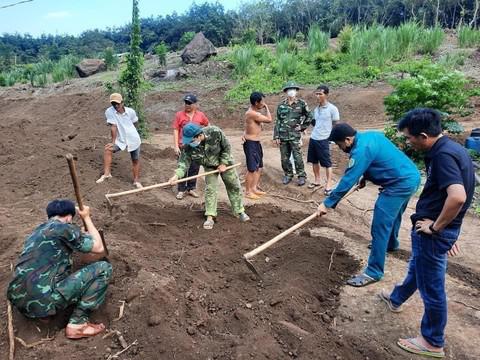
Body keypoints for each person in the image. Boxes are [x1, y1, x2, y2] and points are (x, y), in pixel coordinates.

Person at [378, 108, 474, 358]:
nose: (408, 141)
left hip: (432, 232)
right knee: (417, 268)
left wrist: (437, 228)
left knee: (432, 287)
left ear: (423, 135)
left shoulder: (442, 156)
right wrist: (449, 228)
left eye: (410, 137)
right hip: (437, 232)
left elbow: (458, 197)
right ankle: (396, 298)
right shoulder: (453, 149)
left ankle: (432, 341)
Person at [317, 123, 420, 287]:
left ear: (348, 139)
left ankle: (373, 272)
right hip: (410, 177)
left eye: (339, 144)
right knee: (394, 216)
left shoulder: (361, 150)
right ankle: (391, 243)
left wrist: (327, 203)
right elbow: (380, 158)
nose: (340, 147)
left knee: (380, 225)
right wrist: (366, 176)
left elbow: (347, 179)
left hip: (398, 185)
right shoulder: (370, 135)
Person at [7, 200, 111, 339]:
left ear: (49, 216)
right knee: (104, 268)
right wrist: (86, 217)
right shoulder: (64, 227)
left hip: (17, 299)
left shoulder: (36, 232)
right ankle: (78, 324)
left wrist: (80, 236)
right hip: (44, 300)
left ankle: (44, 315)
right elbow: (99, 248)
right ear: (69, 217)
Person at [169, 123, 250, 229]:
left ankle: (239, 211)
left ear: (199, 135)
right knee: (211, 189)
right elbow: (184, 163)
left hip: (225, 163)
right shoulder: (188, 146)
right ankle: (210, 216)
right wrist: (177, 175)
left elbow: (226, 147)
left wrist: (223, 163)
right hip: (210, 167)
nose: (189, 143)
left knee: (233, 185)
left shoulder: (215, 132)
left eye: (192, 140)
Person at [96, 93, 142, 188]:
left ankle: (136, 181)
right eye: (113, 104)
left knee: (135, 160)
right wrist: (113, 143)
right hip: (120, 139)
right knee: (108, 149)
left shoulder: (131, 112)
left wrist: (134, 133)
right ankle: (107, 174)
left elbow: (135, 123)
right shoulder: (109, 112)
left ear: (122, 102)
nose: (116, 106)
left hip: (133, 139)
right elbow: (113, 127)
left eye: (117, 103)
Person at [273, 81, 313, 186]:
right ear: (286, 92)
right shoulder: (281, 105)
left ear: (296, 91)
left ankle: (301, 176)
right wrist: (276, 136)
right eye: (289, 90)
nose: (291, 91)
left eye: (293, 89)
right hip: (283, 136)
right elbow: (278, 121)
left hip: (295, 135)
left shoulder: (302, 103)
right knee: (284, 158)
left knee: (297, 157)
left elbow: (310, 116)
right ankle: (288, 174)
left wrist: (303, 126)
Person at [172, 94, 210, 200]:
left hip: (196, 146)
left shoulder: (201, 115)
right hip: (183, 145)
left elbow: (208, 126)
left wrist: (203, 139)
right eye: (186, 103)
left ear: (195, 104)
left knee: (194, 167)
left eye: (189, 103)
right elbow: (175, 130)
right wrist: (176, 146)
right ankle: (181, 189)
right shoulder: (179, 115)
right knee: (182, 166)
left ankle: (191, 188)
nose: (187, 105)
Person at [307, 85, 340, 195]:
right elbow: (314, 122)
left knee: (327, 163)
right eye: (316, 94)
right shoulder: (316, 109)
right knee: (314, 161)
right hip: (314, 138)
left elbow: (336, 124)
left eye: (320, 94)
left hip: (324, 139)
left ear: (326, 94)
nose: (318, 96)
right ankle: (317, 181)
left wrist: (332, 138)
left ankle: (329, 184)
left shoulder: (332, 109)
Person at [243, 91, 272, 199]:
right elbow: (269, 119)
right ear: (256, 103)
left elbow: (248, 126)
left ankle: (254, 188)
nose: (263, 104)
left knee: (259, 167)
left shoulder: (254, 113)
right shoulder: (252, 113)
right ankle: (247, 191)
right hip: (251, 143)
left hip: (256, 142)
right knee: (251, 168)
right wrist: (267, 108)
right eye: (262, 102)